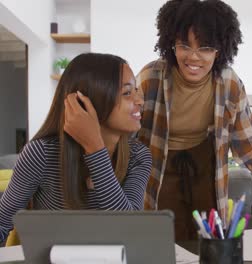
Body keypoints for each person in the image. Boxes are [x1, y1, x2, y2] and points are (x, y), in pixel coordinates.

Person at [137, 0, 252, 240]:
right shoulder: (151, 77)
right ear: (171, 43)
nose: (193, 57)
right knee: (160, 239)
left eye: (204, 48)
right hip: (158, 168)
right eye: (184, 46)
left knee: (207, 242)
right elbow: (124, 136)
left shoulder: (229, 82)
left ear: (220, 49)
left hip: (205, 168)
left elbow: (248, 140)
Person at [0, 53, 152, 243]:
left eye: (136, 90)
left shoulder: (138, 156)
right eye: (127, 93)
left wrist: (95, 149)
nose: (140, 100)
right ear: (87, 102)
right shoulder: (42, 153)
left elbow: (129, 230)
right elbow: (2, 223)